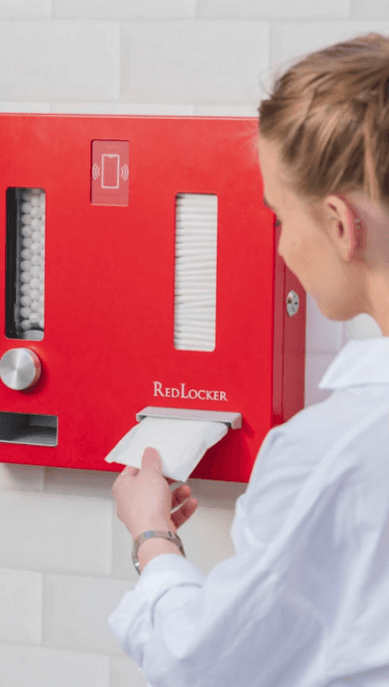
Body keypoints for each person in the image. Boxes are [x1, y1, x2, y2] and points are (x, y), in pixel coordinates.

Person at [109, 32, 389, 686]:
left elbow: (201, 664)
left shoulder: (331, 451)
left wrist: (152, 534)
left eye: (278, 217)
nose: (283, 246)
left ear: (340, 225)